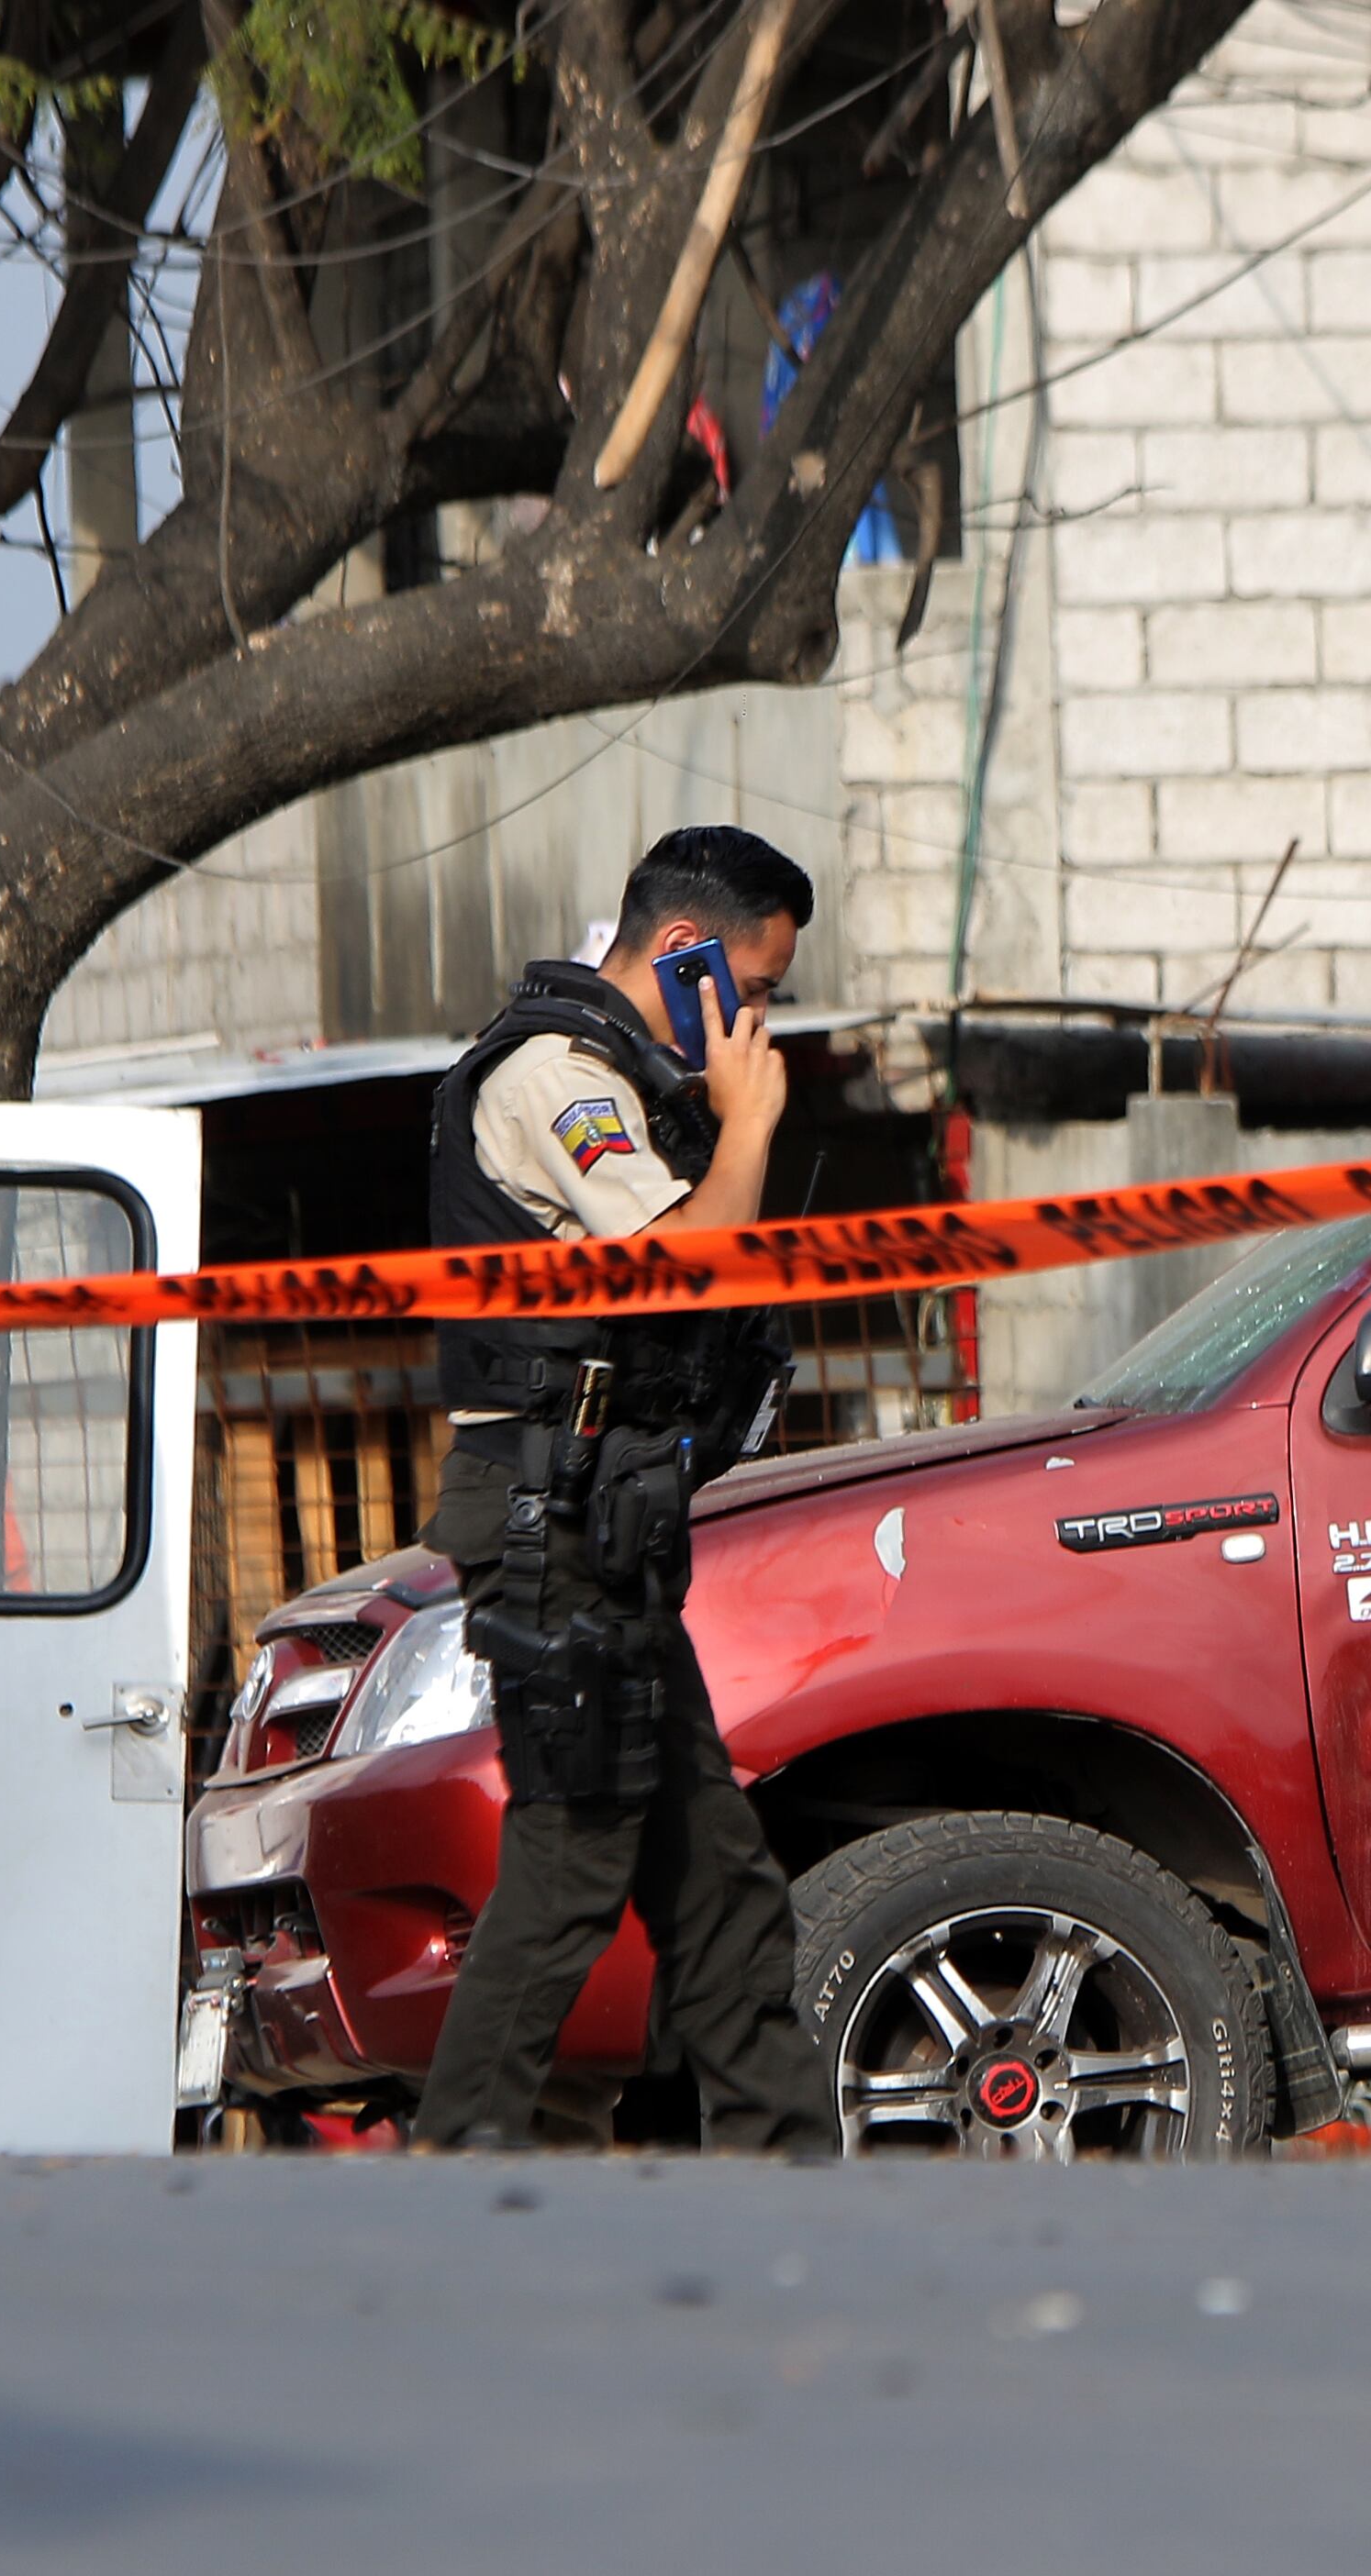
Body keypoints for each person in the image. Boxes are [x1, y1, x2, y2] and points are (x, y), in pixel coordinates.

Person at [411, 826, 832, 2154]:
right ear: (683, 951)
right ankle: (448, 2178)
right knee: (571, 1867)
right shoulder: (555, 1078)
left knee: (720, 1887)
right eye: (750, 990)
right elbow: (688, 1268)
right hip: (551, 1523)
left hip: (614, 1526)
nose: (755, 1024)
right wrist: (748, 1125)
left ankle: (794, 2181)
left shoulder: (634, 1087)